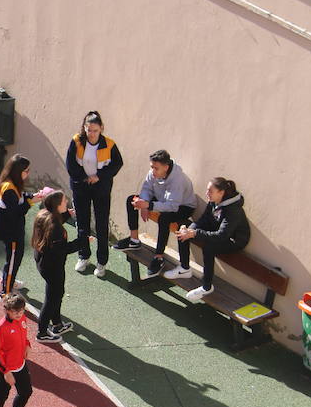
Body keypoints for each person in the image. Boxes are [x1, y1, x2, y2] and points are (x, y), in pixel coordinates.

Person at [114, 150, 201, 277]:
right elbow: (146, 189)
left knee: (164, 218)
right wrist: (143, 202)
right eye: (152, 167)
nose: (153, 171)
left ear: (166, 167)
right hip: (162, 200)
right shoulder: (154, 172)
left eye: (156, 168)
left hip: (183, 206)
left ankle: (159, 257)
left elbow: (172, 206)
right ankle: (134, 240)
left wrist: (149, 205)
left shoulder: (178, 179)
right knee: (131, 200)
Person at [64, 111, 124, 279]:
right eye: (89, 130)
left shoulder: (110, 145)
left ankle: (101, 262)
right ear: (84, 128)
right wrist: (84, 178)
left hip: (101, 188)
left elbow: (117, 164)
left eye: (95, 130)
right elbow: (70, 165)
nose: (91, 134)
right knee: (82, 223)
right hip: (81, 187)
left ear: (101, 129)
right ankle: (83, 257)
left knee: (101, 225)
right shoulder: (76, 141)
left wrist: (99, 176)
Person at [176, 178, 250, 300]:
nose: (207, 193)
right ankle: (184, 268)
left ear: (221, 193)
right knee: (182, 232)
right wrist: (189, 229)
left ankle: (206, 286)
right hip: (218, 231)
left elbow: (222, 235)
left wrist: (194, 233)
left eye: (210, 191)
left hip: (234, 241)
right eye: (207, 190)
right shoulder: (214, 201)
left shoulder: (233, 210)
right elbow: (204, 219)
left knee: (209, 247)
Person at [31, 189, 88, 343]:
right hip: (52, 267)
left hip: (44, 262)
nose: (66, 202)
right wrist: (82, 242)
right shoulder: (55, 227)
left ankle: (57, 324)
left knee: (56, 294)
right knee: (52, 298)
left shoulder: (44, 215)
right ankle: (42, 332)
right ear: (57, 205)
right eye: (64, 202)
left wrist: (67, 214)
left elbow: (55, 222)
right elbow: (62, 250)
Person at [0, 155, 48, 299]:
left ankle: (8, 281)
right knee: (13, 260)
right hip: (11, 232)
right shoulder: (8, 188)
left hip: (15, 229)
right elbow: (16, 211)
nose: (28, 173)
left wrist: (33, 196)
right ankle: (5, 292)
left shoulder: (13, 184)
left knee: (14, 258)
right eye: (26, 171)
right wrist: (31, 202)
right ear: (18, 172)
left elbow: (21, 196)